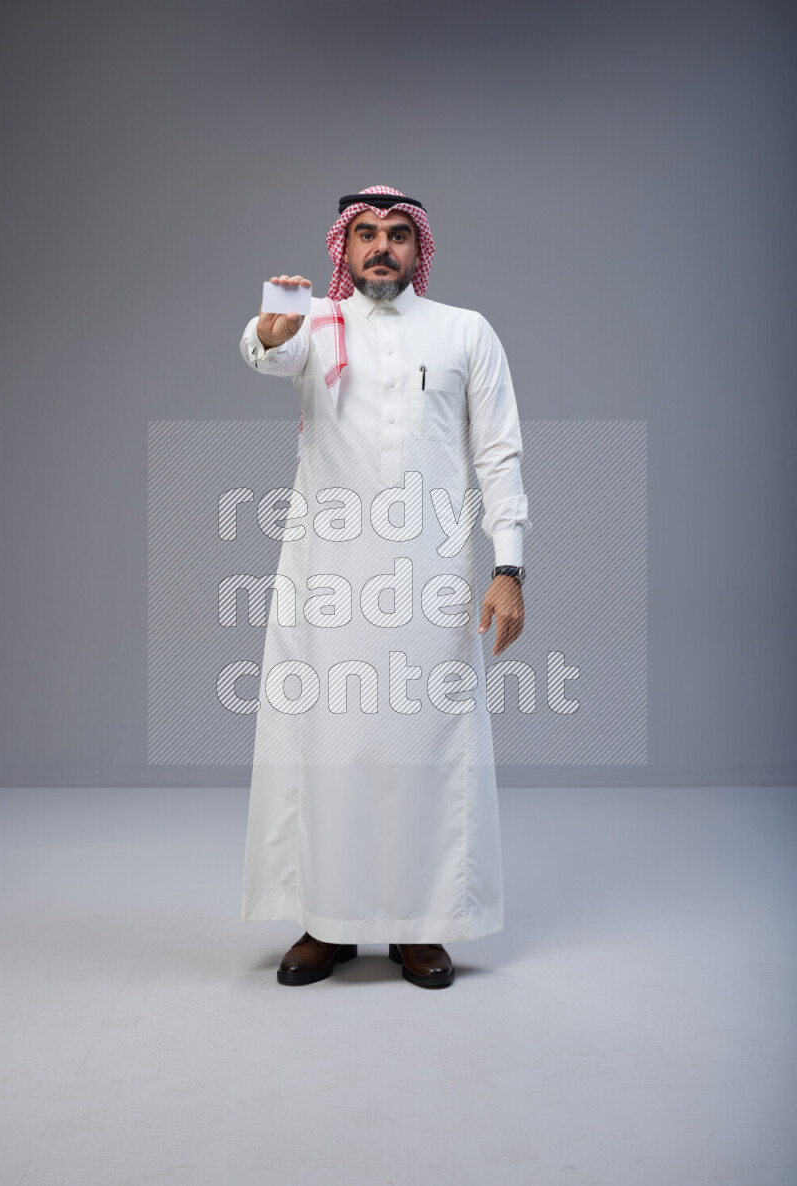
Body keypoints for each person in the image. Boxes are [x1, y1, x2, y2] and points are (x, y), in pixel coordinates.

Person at [238, 185, 530, 989]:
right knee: (326, 746)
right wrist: (268, 332)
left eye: (398, 234)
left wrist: (508, 567)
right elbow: (269, 352)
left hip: (432, 576)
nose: (381, 247)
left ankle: (418, 925)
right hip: (327, 578)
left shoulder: (465, 331)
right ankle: (324, 922)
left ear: (418, 248)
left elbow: (498, 452)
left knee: (424, 748)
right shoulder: (315, 323)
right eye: (365, 233)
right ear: (344, 246)